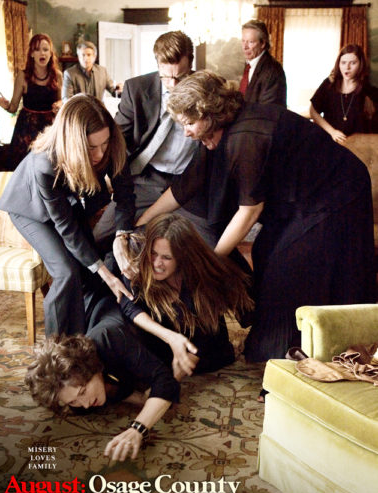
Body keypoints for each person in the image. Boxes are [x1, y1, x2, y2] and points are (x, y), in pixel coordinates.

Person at [136, 71, 376, 367]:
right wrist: (140, 222)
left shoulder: (245, 138)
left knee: (286, 267)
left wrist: (210, 262)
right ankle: (274, 342)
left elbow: (249, 211)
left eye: (188, 123)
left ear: (208, 114)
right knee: (264, 252)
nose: (185, 132)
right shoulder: (214, 133)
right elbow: (184, 186)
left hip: (336, 191)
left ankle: (291, 352)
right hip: (301, 197)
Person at [0, 94, 135, 337]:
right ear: (74, 143)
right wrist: (106, 275)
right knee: (66, 272)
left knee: (87, 269)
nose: (100, 154)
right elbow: (67, 228)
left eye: (104, 144)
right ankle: (55, 350)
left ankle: (80, 342)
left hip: (67, 201)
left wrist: (122, 236)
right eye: (91, 148)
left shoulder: (112, 143)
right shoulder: (45, 163)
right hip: (29, 208)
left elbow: (124, 194)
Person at [25, 297, 180, 461]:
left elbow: (166, 380)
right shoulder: (81, 398)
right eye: (73, 401)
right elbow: (111, 391)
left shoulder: (110, 338)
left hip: (162, 317)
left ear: (92, 368)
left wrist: (138, 428)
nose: (85, 404)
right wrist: (139, 398)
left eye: (82, 392)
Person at [93, 30, 200, 247]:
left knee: (206, 247)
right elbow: (118, 142)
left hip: (189, 183)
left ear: (190, 65)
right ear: (158, 64)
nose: (174, 84)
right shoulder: (137, 89)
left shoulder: (204, 88)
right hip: (146, 178)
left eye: (180, 77)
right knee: (100, 238)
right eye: (167, 77)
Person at [119, 214, 254, 380]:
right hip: (161, 348)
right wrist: (170, 337)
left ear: (182, 258)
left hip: (203, 352)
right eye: (153, 253)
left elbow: (206, 337)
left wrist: (172, 379)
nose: (157, 263)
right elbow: (129, 305)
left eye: (167, 257)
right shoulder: (136, 264)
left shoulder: (200, 277)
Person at [0, 33, 62, 169]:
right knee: (23, 169)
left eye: (45, 49)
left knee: (49, 169)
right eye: (37, 49)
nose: (42, 53)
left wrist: (60, 105)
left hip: (50, 130)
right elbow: (13, 107)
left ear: (50, 53)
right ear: (31, 54)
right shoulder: (23, 76)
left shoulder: (57, 75)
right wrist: (6, 106)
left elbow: (61, 102)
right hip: (27, 129)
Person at [310, 44, 378, 144]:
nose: (347, 67)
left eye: (353, 63)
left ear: (360, 64)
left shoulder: (367, 89)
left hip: (356, 146)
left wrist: (371, 113)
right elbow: (313, 111)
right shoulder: (329, 84)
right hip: (331, 141)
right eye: (343, 62)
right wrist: (332, 132)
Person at [239, 19, 286, 107]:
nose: (245, 47)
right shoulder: (249, 65)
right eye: (243, 41)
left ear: (263, 43)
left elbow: (268, 111)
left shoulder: (273, 70)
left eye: (250, 42)